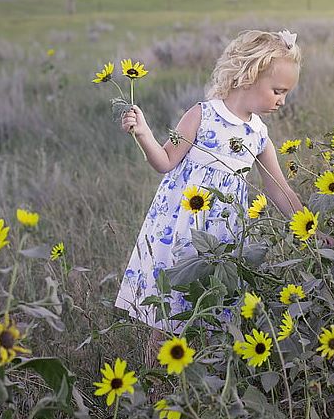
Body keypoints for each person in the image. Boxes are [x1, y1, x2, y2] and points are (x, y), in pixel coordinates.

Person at [114, 30, 321, 362]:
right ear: (248, 76)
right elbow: (165, 161)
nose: (282, 101)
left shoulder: (258, 135)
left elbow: (279, 189)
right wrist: (143, 133)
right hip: (181, 231)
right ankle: (153, 387)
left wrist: (310, 229)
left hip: (222, 239)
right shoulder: (203, 114)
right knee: (170, 317)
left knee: (212, 313)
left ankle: (203, 388)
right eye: (278, 91)